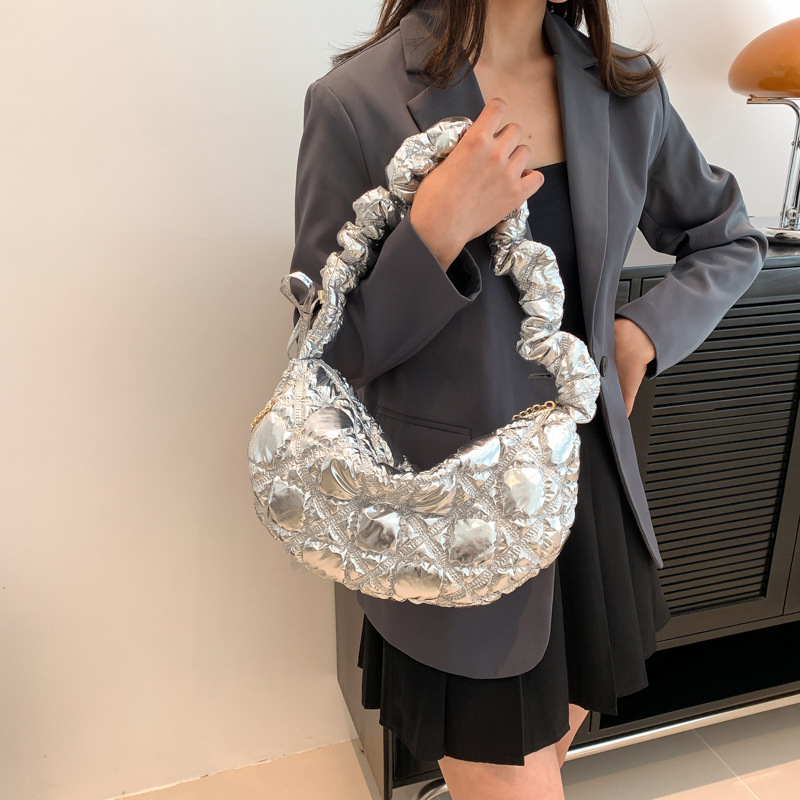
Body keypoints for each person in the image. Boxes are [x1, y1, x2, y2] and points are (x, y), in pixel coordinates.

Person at [288, 0, 768, 797]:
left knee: (542, 761)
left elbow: (728, 237)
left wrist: (642, 334)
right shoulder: (355, 101)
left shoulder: (623, 90)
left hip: (587, 494)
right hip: (452, 516)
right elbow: (326, 349)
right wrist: (434, 233)